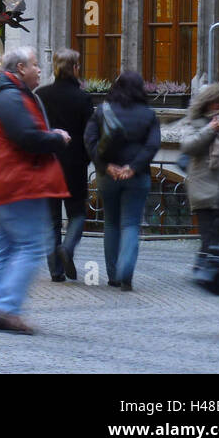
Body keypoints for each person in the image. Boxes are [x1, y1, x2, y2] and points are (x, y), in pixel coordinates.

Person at [0, 45, 71, 334]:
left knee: (2, 246)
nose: (40, 69)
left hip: (1, 182)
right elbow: (25, 137)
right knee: (31, 246)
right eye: (35, 64)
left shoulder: (2, 95)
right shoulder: (11, 97)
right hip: (17, 183)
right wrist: (55, 137)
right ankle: (6, 309)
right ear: (20, 69)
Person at [83, 71, 161, 291]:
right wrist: (133, 168)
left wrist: (106, 166)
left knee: (111, 223)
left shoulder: (102, 111)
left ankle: (113, 274)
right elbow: (152, 145)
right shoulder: (148, 115)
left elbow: (89, 140)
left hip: (108, 176)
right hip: (137, 177)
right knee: (130, 224)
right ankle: (126, 272)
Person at [35, 49, 93, 281]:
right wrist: (87, 159)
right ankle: (67, 248)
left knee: (51, 220)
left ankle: (56, 271)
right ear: (76, 68)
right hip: (75, 163)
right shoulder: (83, 98)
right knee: (77, 214)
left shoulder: (41, 94)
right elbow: (90, 135)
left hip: (48, 162)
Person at [178, 82, 219, 262]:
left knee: (217, 236)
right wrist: (210, 129)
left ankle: (208, 264)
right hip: (203, 187)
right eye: (212, 102)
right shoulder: (195, 122)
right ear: (204, 103)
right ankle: (207, 267)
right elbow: (188, 146)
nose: (216, 105)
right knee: (208, 237)